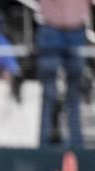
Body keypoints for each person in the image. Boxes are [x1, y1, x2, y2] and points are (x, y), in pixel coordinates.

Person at [37, 0, 90, 148]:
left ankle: (77, 146)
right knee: (49, 92)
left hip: (77, 30)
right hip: (50, 29)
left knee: (75, 92)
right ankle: (44, 145)